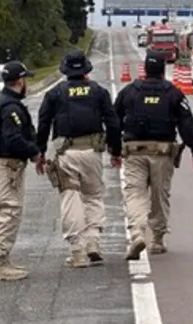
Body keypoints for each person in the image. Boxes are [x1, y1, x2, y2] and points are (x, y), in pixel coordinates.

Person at [114, 51, 193, 260]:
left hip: (134, 151)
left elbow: (114, 120)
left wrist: (114, 149)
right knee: (159, 194)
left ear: (145, 68)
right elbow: (186, 124)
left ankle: (137, 232)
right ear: (164, 70)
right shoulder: (172, 92)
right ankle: (157, 239)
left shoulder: (129, 92)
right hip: (162, 153)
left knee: (135, 194)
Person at [36, 50, 122, 268]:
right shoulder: (99, 92)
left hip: (66, 153)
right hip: (92, 152)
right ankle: (94, 242)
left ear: (65, 70)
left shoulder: (55, 93)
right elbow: (112, 123)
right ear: (86, 70)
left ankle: (77, 251)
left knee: (70, 197)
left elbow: (44, 124)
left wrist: (40, 152)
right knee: (93, 195)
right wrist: (116, 150)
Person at [0, 61, 42, 281]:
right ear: (19, 81)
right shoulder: (10, 108)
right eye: (25, 78)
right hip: (6, 168)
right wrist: (34, 152)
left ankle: (4, 259)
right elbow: (13, 138)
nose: (26, 83)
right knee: (8, 212)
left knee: (9, 211)